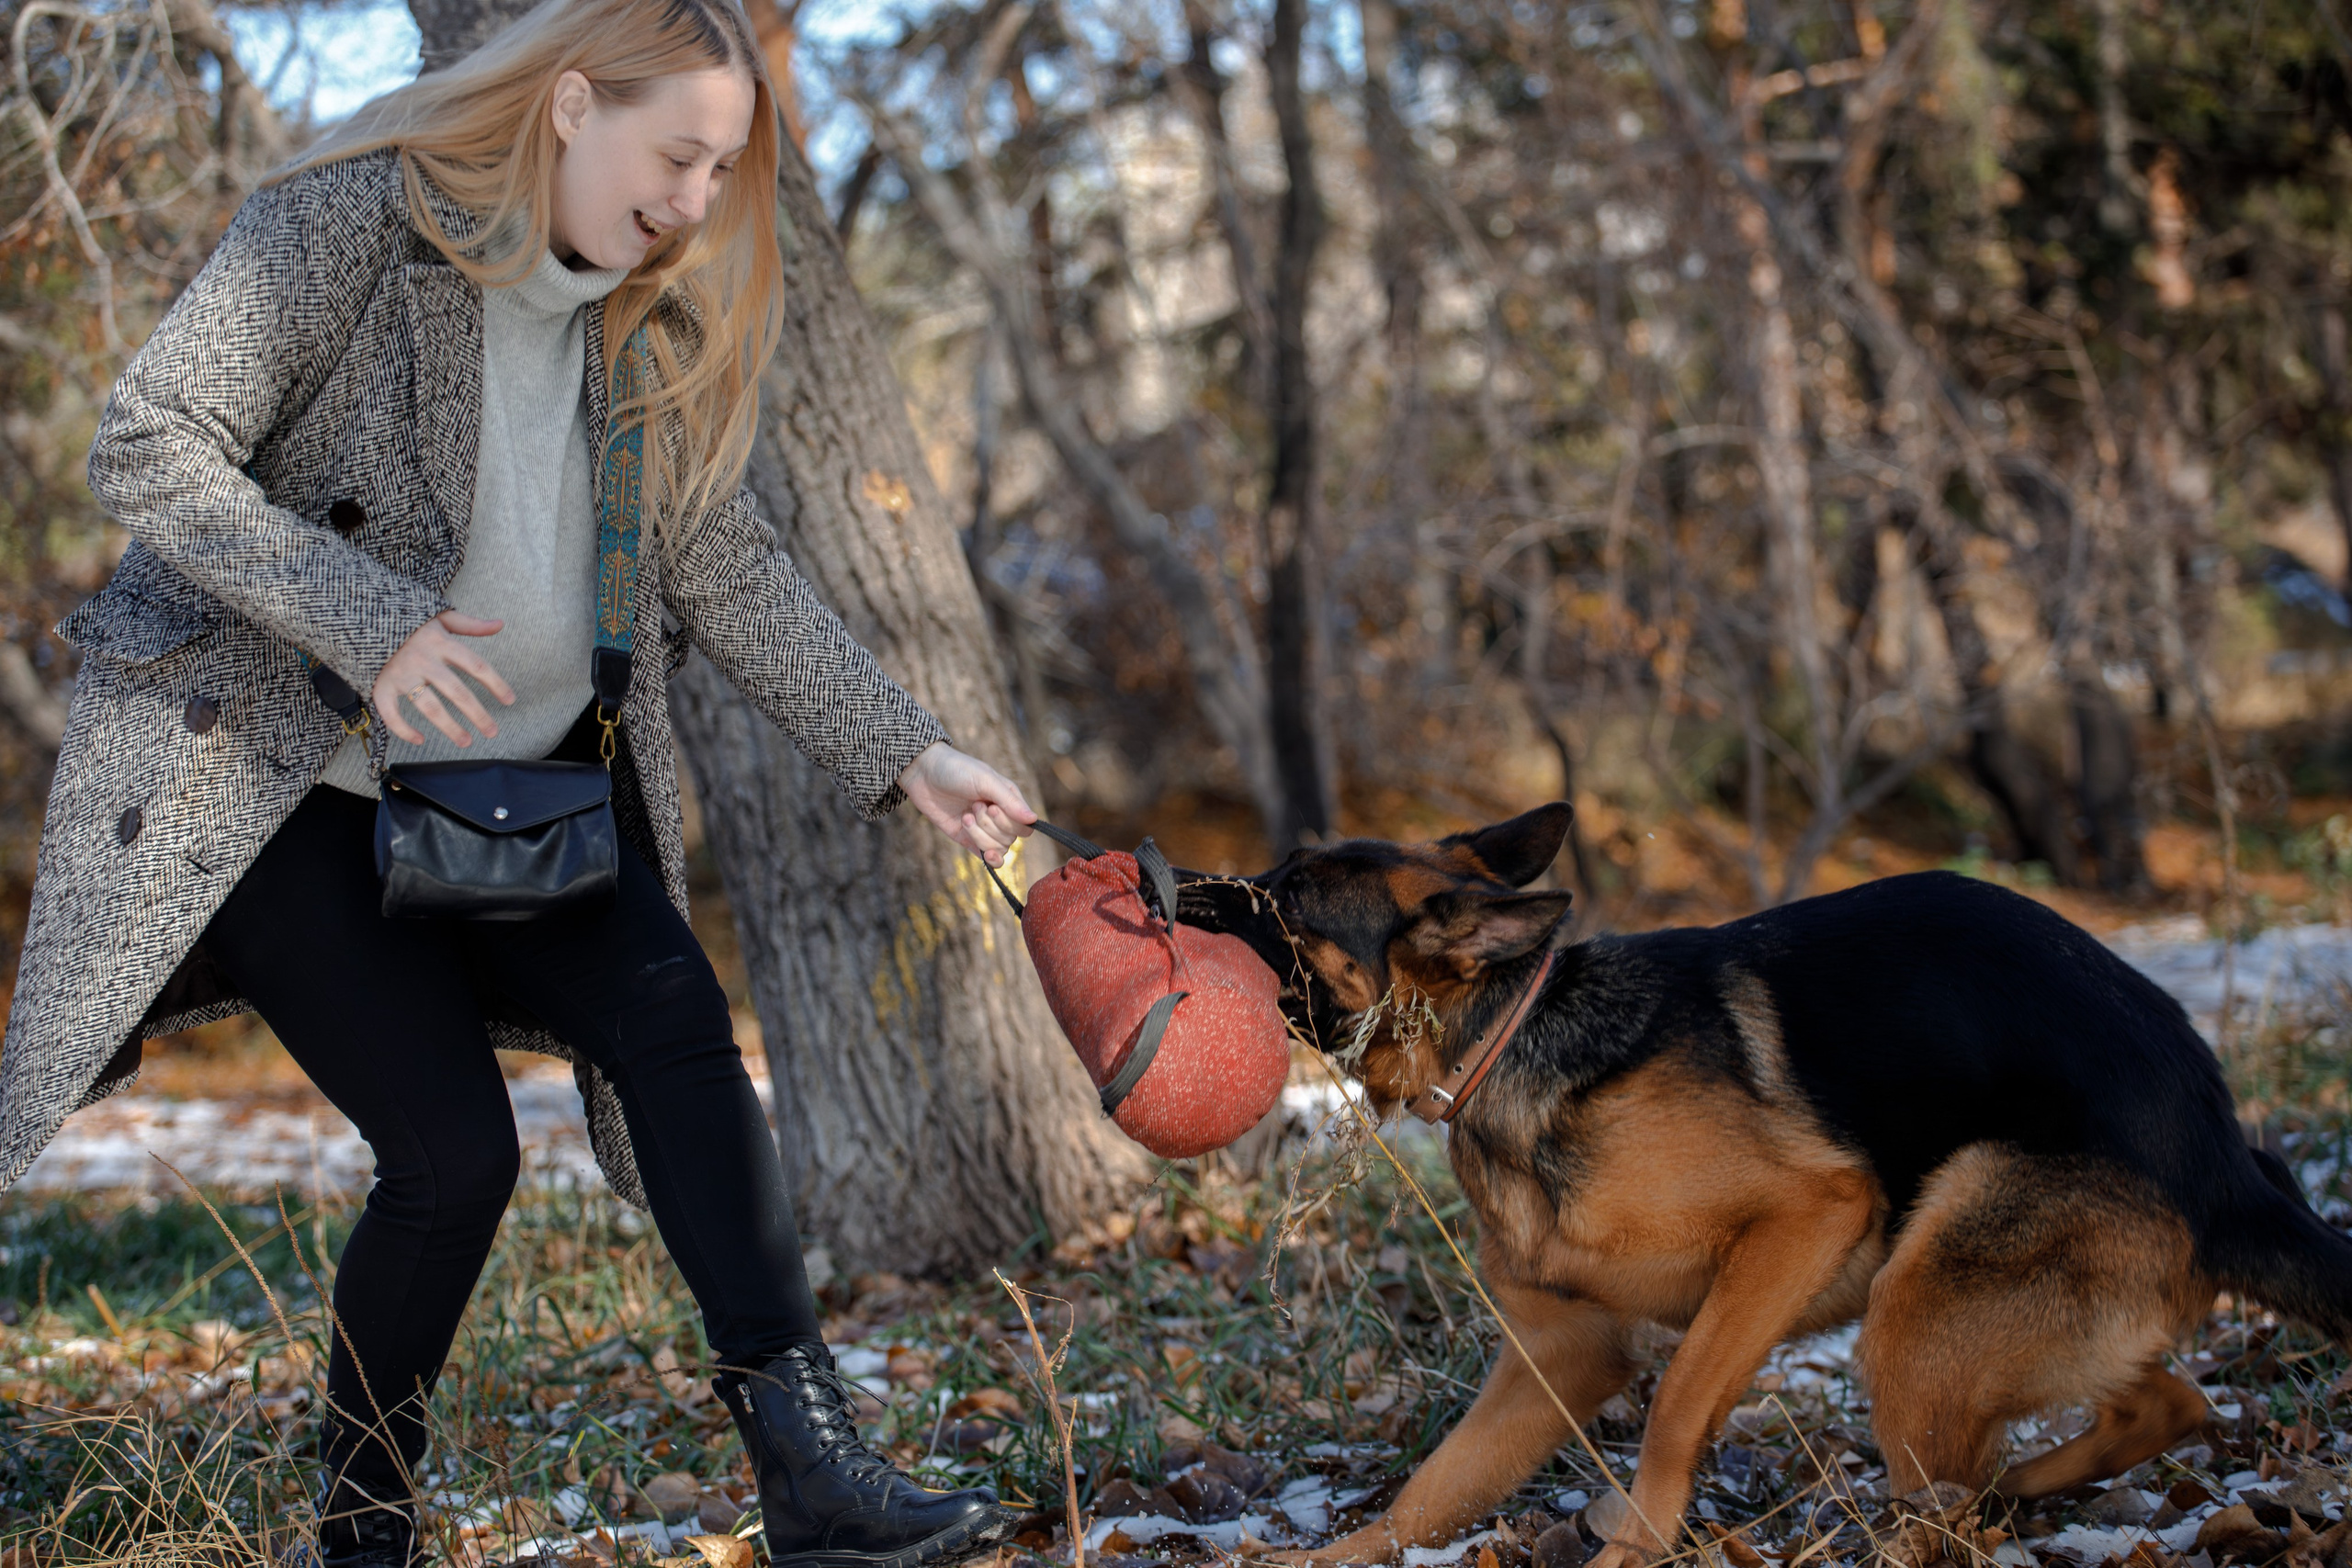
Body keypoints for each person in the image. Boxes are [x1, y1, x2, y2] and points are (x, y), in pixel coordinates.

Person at [0, 0, 1037, 1562]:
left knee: (685, 1036)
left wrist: (912, 753)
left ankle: (812, 1472)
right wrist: (372, 621)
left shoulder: (649, 316)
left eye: (722, 167)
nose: (696, 201)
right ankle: (365, 1525)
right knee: (453, 1157)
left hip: (534, 791)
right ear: (567, 105)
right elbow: (149, 441)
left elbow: (726, 570)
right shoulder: (342, 226)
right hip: (291, 790)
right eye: (676, 154)